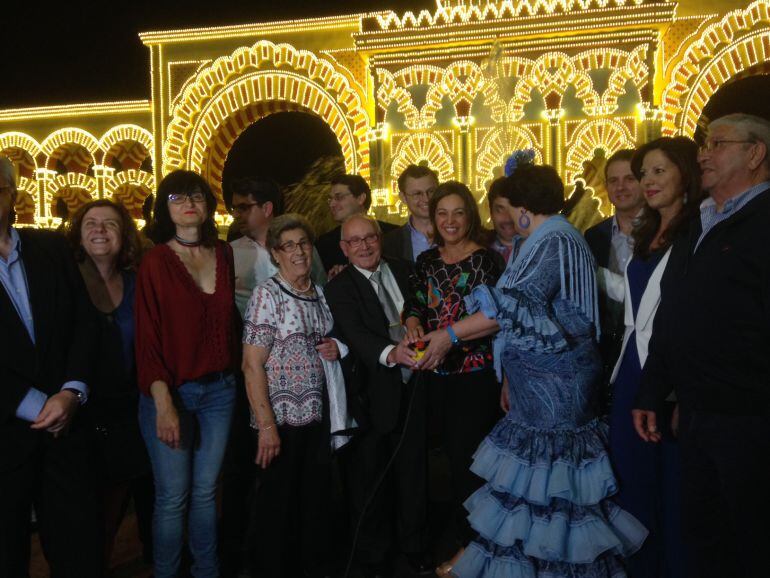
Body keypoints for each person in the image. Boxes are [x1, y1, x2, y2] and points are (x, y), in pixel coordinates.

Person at [417, 164, 647, 577]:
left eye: (508, 208)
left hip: (555, 390)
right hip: (538, 389)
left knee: (548, 484)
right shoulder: (542, 238)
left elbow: (511, 308)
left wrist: (448, 334)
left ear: (525, 207)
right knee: (533, 483)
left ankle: (547, 565)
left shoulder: (554, 240)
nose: (503, 219)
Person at [633, 113, 770, 578]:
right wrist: (654, 390)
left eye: (717, 144)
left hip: (750, 418)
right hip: (695, 415)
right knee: (704, 539)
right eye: (703, 145)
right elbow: (671, 314)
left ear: (755, 154)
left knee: (752, 540)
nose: (703, 155)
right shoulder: (699, 222)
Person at [601, 137, 703, 577]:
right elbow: (633, 302)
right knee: (632, 475)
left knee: (672, 480)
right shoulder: (647, 232)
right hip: (633, 368)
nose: (647, 181)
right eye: (645, 173)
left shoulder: (698, 230)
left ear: (685, 175)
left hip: (671, 371)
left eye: (658, 171)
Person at [0, 157, 102, 577]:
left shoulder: (51, 248)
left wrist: (72, 391)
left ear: (12, 194)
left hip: (67, 428)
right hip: (6, 435)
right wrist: (37, 405)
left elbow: (84, 323)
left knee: (77, 552)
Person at [135, 169, 239, 578]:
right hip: (170, 393)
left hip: (221, 391)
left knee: (205, 492)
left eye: (195, 195)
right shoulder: (156, 261)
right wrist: (163, 405)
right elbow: (148, 340)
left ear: (208, 204)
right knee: (173, 497)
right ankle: (167, 572)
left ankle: (206, 570)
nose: (188, 203)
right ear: (165, 208)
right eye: (177, 197)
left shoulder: (224, 253)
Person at [401, 181, 504, 572]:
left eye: (458, 212)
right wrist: (412, 325)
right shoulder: (427, 261)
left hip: (473, 378)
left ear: (470, 216)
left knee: (468, 466)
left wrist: (450, 340)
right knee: (432, 466)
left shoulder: (488, 261)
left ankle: (473, 549)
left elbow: (498, 321)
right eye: (441, 213)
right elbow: (415, 303)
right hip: (431, 373)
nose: (449, 221)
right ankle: (439, 542)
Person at [242, 213, 350, 578]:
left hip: (318, 415)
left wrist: (336, 346)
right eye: (289, 246)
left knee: (314, 501)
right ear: (276, 254)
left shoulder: (320, 293)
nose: (299, 252)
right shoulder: (266, 294)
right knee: (277, 504)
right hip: (281, 420)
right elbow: (251, 365)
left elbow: (330, 343)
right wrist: (267, 427)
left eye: (304, 243)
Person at [324, 214, 432, 577]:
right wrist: (392, 354)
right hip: (372, 397)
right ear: (344, 248)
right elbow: (355, 333)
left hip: (416, 387)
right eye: (355, 242)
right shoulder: (340, 286)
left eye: (370, 238)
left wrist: (416, 325)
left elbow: (420, 307)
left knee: (414, 474)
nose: (365, 246)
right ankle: (373, 556)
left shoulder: (404, 270)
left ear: (380, 239)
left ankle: (413, 547)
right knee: (370, 480)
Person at [67, 199, 154, 572]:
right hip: (75, 413)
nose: (100, 229)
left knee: (125, 500)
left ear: (125, 236)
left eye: (111, 224)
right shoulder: (61, 281)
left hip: (128, 408)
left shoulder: (137, 284)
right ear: (78, 232)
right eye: (91, 222)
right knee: (83, 510)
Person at [584, 149, 645, 412]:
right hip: (604, 346)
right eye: (613, 180)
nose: (620, 187)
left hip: (646, 346)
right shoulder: (594, 235)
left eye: (629, 179)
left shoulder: (663, 232)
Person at [229, 176, 325, 317]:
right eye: (234, 208)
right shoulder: (230, 252)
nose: (235, 214)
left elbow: (322, 290)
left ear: (267, 208)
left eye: (243, 207)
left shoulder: (303, 248)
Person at [315, 174, 396, 277]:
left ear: (361, 198)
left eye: (339, 197)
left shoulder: (394, 235)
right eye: (330, 199)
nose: (332, 204)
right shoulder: (323, 245)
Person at [383, 164, 438, 262]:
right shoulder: (390, 243)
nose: (426, 199)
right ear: (403, 197)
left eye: (431, 191)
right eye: (417, 194)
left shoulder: (456, 232)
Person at [486, 176, 521, 263]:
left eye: (513, 209)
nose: (507, 218)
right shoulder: (477, 250)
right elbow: (465, 275)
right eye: (500, 210)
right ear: (491, 213)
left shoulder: (538, 248)